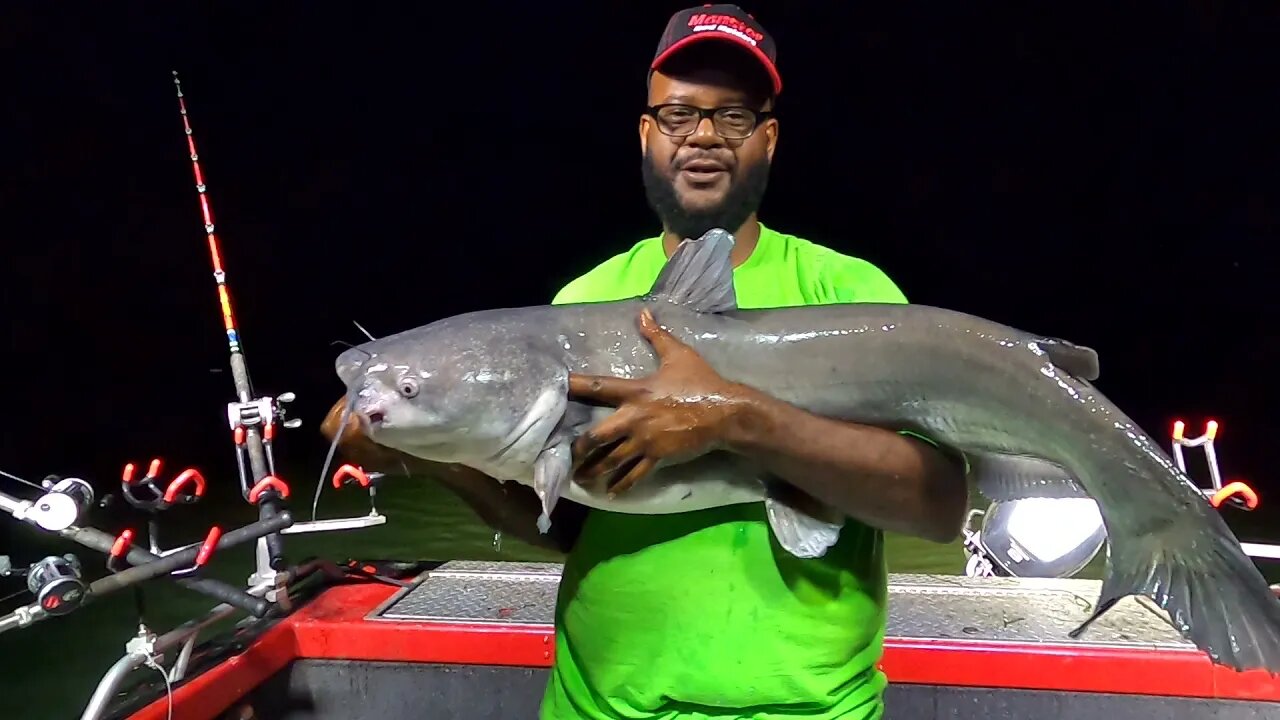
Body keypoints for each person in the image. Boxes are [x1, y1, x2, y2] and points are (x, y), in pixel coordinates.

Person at [322, 6, 968, 719]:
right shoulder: (583, 300)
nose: (702, 137)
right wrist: (429, 451)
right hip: (598, 705)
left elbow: (938, 506)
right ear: (645, 132)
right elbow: (569, 527)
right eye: (678, 114)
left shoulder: (851, 298)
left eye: (733, 117)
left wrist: (733, 419)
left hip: (812, 708)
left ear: (769, 137)